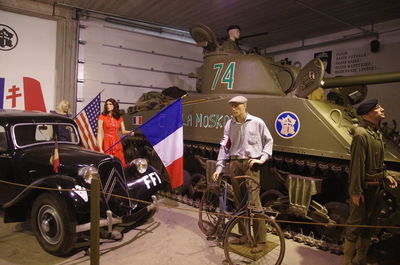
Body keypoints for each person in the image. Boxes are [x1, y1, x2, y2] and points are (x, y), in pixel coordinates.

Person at [212, 95, 273, 254]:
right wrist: (219, 167)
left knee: (254, 203)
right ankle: (244, 235)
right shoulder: (229, 124)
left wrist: (262, 159)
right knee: (239, 201)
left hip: (250, 164)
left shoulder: (257, 122)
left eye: (236, 106)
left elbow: (269, 141)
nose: (233, 109)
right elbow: (225, 147)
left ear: (245, 106)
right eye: (232, 106)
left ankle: (261, 240)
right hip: (235, 163)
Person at [343, 98, 398, 265]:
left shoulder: (376, 133)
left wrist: (386, 174)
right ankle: (347, 261)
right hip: (364, 188)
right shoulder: (361, 135)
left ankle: (361, 258)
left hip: (377, 187)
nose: (381, 109)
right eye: (377, 108)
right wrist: (356, 192)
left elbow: (379, 161)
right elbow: (357, 166)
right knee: (355, 225)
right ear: (368, 114)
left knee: (370, 224)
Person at [97, 98, 132, 167]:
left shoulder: (119, 118)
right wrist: (100, 148)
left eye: (110, 104)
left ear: (114, 106)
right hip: (107, 142)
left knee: (119, 162)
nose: (108, 106)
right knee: (108, 163)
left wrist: (132, 132)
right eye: (107, 104)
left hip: (117, 142)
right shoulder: (102, 117)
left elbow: (123, 131)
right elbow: (99, 133)